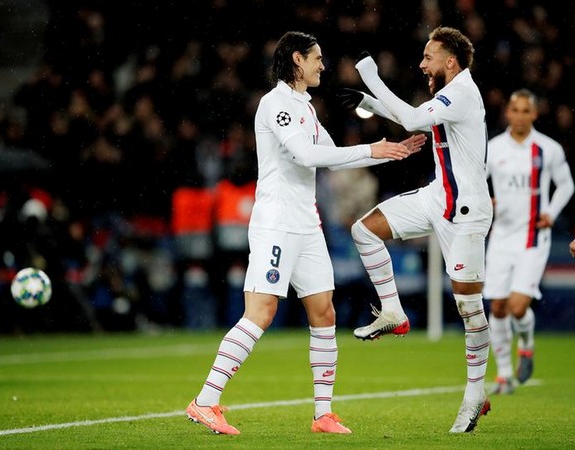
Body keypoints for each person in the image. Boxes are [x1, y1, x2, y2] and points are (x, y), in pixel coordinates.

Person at [185, 31, 426, 436]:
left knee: (324, 312)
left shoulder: (305, 107)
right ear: (297, 59)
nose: (322, 65)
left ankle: (323, 414)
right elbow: (306, 154)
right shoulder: (276, 103)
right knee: (260, 312)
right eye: (317, 58)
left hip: (306, 224)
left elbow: (329, 158)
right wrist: (372, 150)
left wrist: (387, 151)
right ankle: (205, 402)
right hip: (276, 222)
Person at [338, 26, 492, 433]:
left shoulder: (462, 92)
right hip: (437, 196)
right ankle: (393, 311)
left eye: (429, 57)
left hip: (467, 211)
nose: (422, 64)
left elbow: (409, 118)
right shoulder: (448, 94)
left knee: (467, 307)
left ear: (451, 62)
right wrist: (368, 101)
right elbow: (416, 120)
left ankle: (475, 394)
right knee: (364, 230)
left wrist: (370, 77)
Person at [483, 89, 574, 394]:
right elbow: (476, 183)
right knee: (497, 307)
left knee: (517, 306)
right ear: (507, 113)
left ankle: (527, 344)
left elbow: (566, 185)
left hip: (533, 238)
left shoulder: (547, 149)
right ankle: (504, 375)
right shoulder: (493, 149)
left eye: (526, 110)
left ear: (534, 114)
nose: (520, 115)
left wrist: (551, 211)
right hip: (501, 236)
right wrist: (486, 201)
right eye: (515, 109)